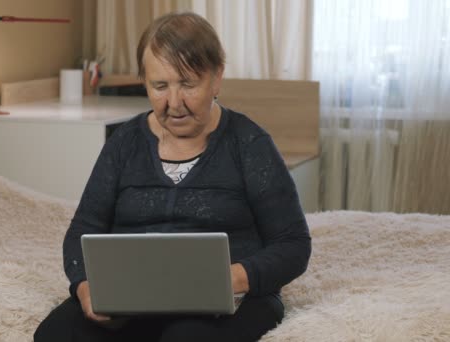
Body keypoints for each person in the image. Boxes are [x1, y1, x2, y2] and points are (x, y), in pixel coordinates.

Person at [34, 11, 311, 342]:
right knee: (53, 334)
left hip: (230, 302)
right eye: (160, 86)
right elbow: (82, 232)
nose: (174, 103)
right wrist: (85, 289)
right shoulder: (125, 143)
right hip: (132, 299)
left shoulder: (249, 143)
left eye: (188, 84)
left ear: (217, 77)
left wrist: (229, 279)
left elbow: (293, 245)